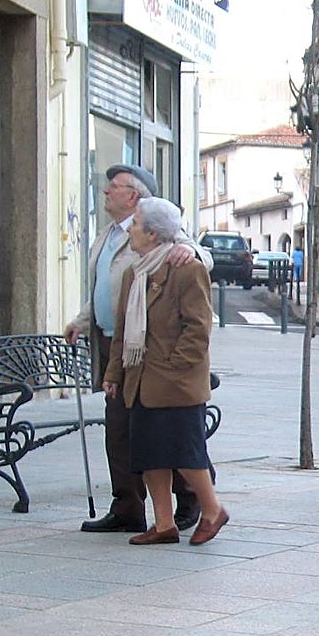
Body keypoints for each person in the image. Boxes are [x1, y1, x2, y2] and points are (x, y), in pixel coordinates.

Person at [66, 165, 212, 535]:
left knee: (169, 437)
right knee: (122, 433)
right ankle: (128, 507)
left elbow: (200, 261)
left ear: (133, 195)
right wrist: (83, 321)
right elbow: (105, 290)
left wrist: (186, 248)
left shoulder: (162, 233)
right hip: (120, 346)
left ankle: (192, 503)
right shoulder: (109, 236)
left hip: (156, 355)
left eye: (113, 187)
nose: (105, 192)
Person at [102, 198, 229, 546]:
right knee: (148, 455)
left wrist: (175, 366)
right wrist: (114, 374)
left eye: (137, 223)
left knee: (185, 455)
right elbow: (122, 327)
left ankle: (213, 510)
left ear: (154, 233)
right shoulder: (135, 272)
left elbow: (198, 329)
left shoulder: (187, 269)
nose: (131, 229)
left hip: (177, 382)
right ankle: (163, 524)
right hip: (140, 380)